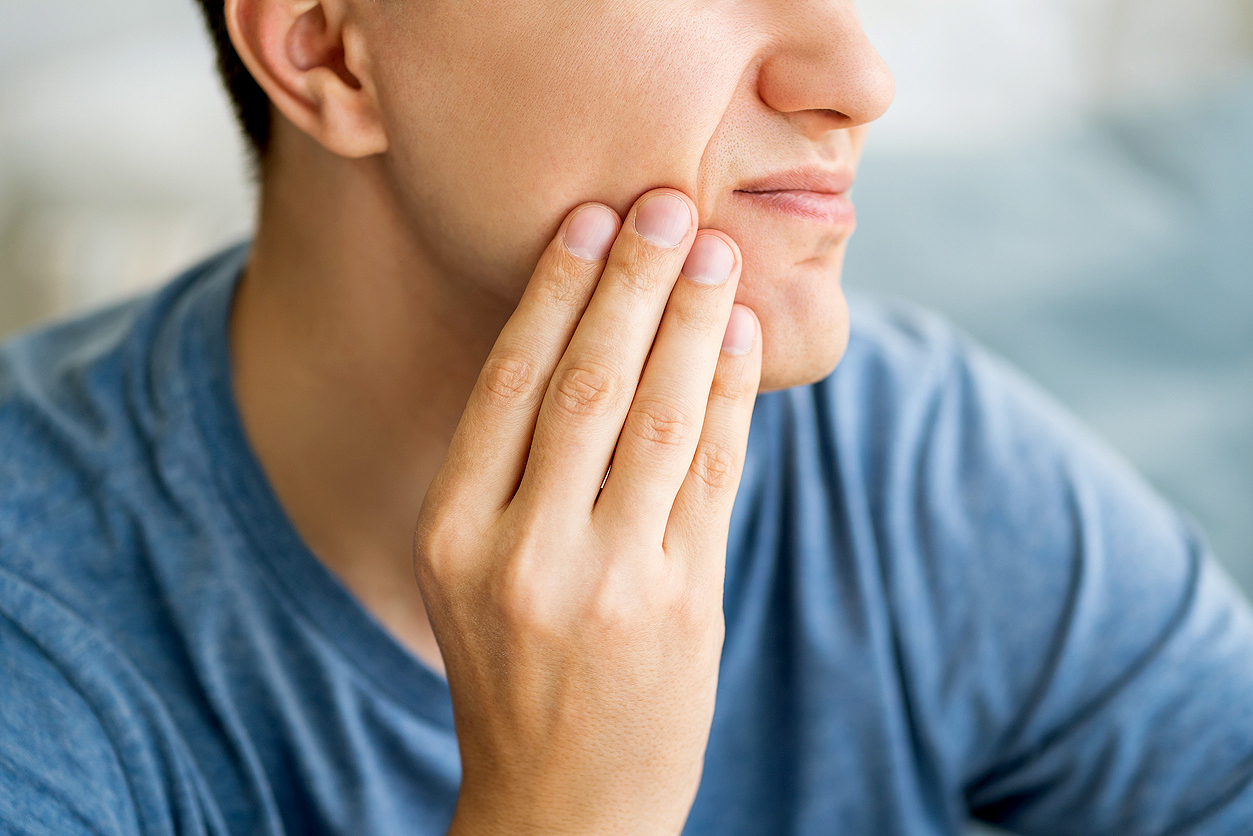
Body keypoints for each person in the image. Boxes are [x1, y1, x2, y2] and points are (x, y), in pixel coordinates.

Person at [1, 0, 1251, 832]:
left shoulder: (898, 457)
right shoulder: (39, 652)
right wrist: (560, 806)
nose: (857, 80)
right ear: (329, 51)